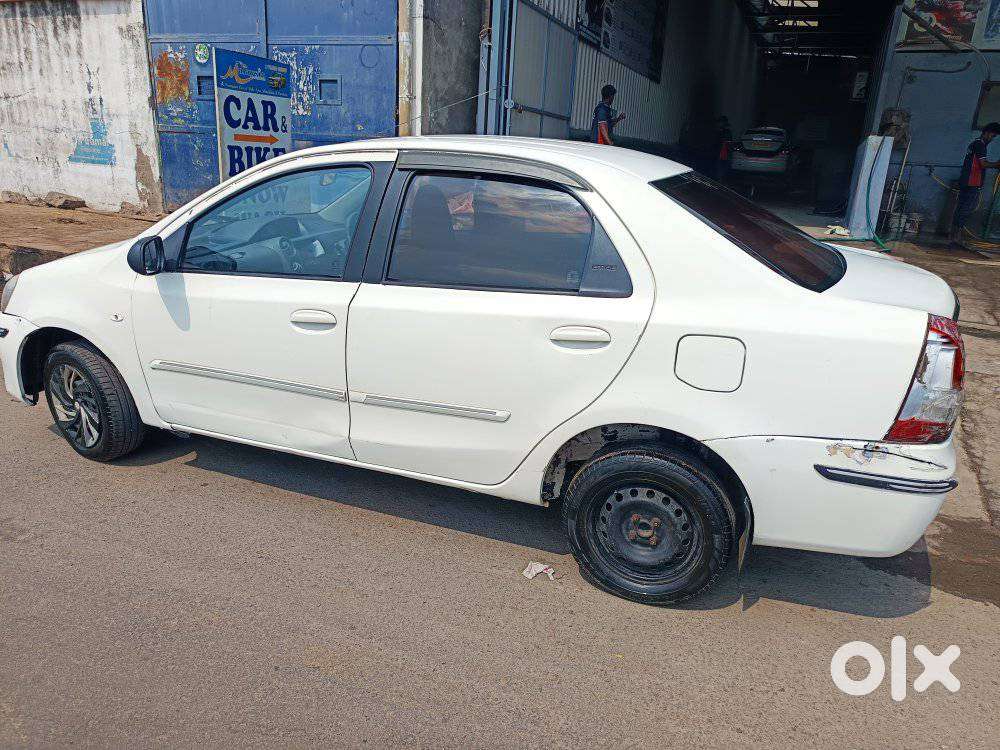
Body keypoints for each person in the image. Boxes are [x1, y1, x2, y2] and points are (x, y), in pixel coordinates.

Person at [951, 121, 1000, 243]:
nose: (992, 139)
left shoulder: (974, 144)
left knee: (961, 208)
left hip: (965, 181)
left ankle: (953, 235)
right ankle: (956, 237)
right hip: (972, 182)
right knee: (966, 209)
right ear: (987, 133)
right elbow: (982, 164)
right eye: (992, 136)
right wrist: (997, 164)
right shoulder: (980, 146)